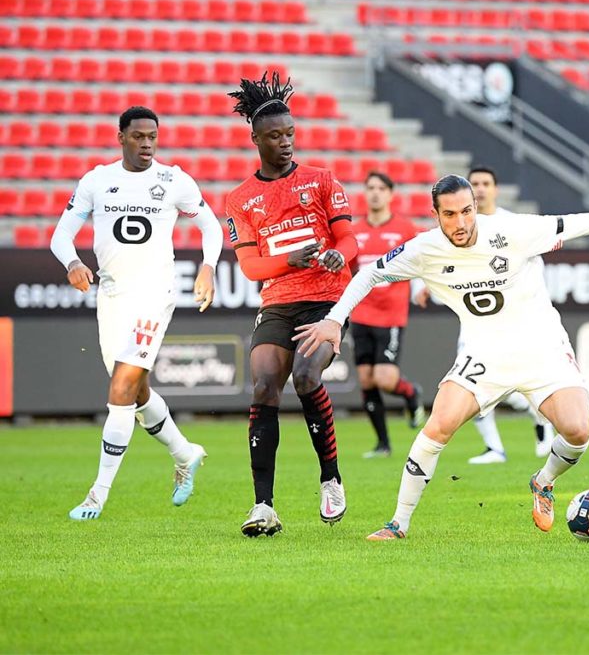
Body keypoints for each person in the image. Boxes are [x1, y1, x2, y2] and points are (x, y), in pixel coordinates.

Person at [293, 174, 589, 540]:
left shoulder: (511, 231)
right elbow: (368, 275)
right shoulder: (425, 249)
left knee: (579, 431)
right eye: (450, 214)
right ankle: (398, 523)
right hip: (485, 352)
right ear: (436, 215)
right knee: (439, 425)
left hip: (541, 346)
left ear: (476, 206)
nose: (461, 222)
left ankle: (543, 482)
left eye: (466, 211)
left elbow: (575, 223)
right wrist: (334, 320)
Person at [50, 106, 222, 521]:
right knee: (133, 392)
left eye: (152, 137)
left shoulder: (173, 179)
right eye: (139, 136)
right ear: (121, 137)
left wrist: (208, 266)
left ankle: (97, 494)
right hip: (111, 297)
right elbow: (61, 235)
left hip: (155, 295)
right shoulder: (97, 180)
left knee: (122, 388)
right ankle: (185, 453)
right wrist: (72, 263)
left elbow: (211, 226)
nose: (147, 144)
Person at [225, 72, 358, 536]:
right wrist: (287, 259)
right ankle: (263, 506)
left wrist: (342, 252)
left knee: (305, 377)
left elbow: (348, 236)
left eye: (290, 134)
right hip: (278, 303)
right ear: (256, 139)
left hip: (325, 299)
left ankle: (331, 477)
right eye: (275, 136)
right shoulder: (240, 199)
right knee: (263, 386)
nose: (285, 143)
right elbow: (251, 268)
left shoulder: (321, 180)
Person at [464, 165, 554, 464]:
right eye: (474, 183)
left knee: (519, 382)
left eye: (485, 183)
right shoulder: (462, 227)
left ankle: (542, 417)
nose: (479, 188)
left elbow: (535, 265)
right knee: (468, 383)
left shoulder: (513, 223)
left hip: (513, 318)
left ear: (495, 189)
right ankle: (495, 448)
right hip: (475, 318)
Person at [351, 170, 428, 458]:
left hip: (391, 313)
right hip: (361, 313)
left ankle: (410, 393)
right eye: (370, 187)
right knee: (367, 380)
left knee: (384, 378)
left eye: (380, 188)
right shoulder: (356, 231)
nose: (374, 193)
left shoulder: (404, 229)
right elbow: (351, 271)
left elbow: (419, 262)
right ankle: (382, 444)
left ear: (390, 194)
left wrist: (419, 287)